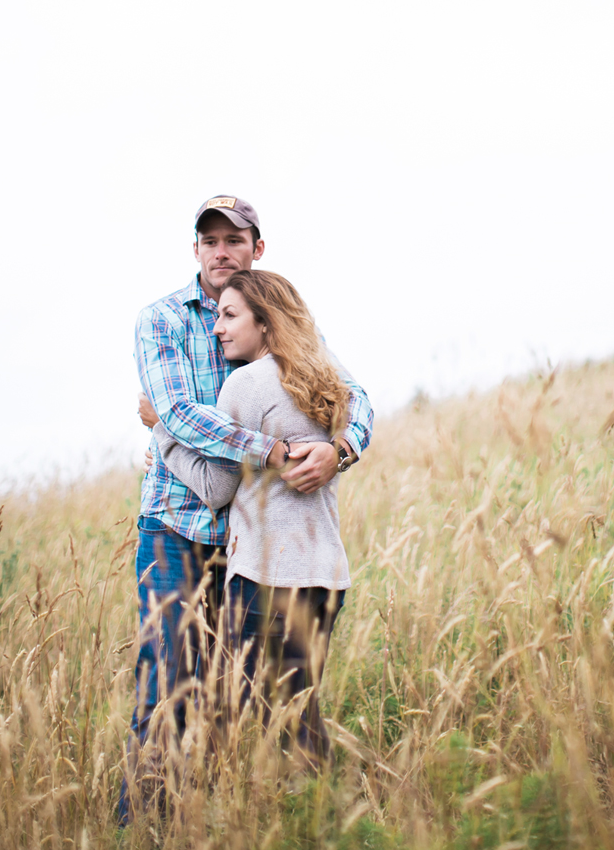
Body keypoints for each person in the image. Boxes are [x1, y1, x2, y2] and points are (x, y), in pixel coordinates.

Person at [120, 195, 372, 821]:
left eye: (235, 239)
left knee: (236, 692)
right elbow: (176, 411)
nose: (221, 251)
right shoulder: (164, 320)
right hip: (177, 526)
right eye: (210, 240)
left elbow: (354, 394)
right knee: (170, 677)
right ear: (197, 250)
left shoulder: (282, 320)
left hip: (247, 542)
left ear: (257, 248)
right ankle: (144, 822)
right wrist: (277, 449)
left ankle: (226, 816)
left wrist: (342, 446)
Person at [150, 268, 356, 763]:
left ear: (264, 323)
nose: (217, 327)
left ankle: (311, 815)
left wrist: (162, 432)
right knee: (299, 711)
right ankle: (323, 813)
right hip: (325, 574)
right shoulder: (322, 378)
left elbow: (216, 489)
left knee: (256, 718)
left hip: (266, 575)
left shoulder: (245, 385)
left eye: (229, 315)